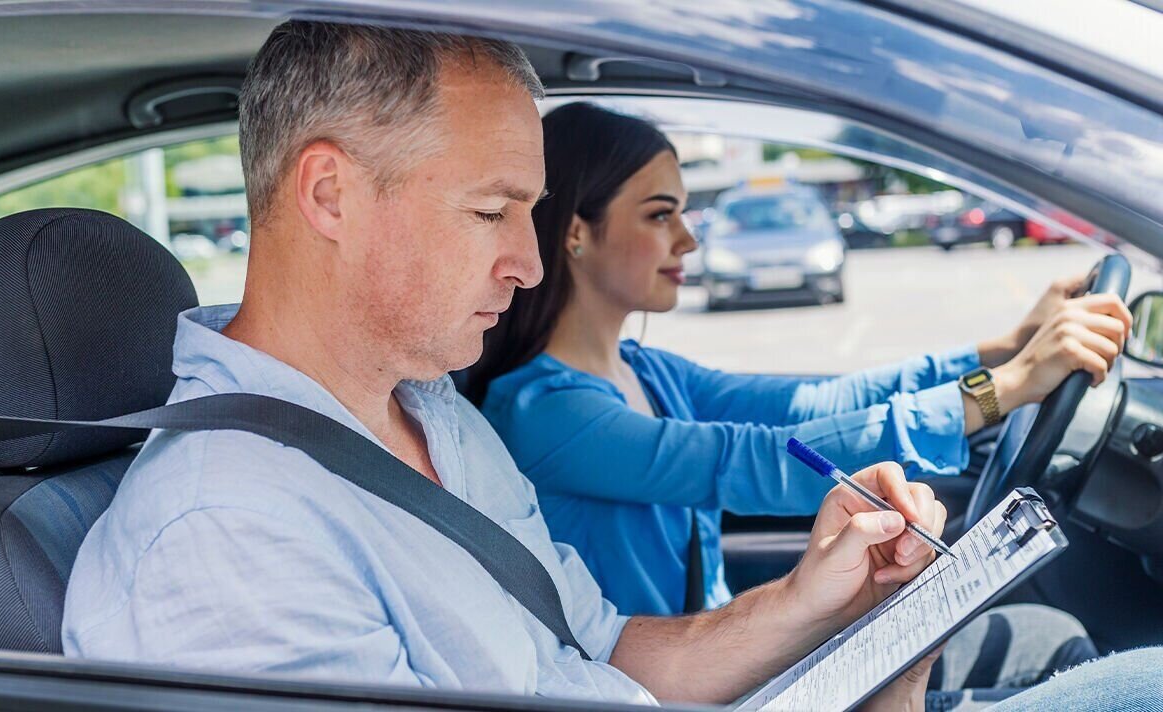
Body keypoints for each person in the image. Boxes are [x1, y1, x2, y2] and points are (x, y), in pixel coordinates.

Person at [61, 20, 1159, 712]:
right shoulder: (220, 537)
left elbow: (611, 652)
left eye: (530, 213)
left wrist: (813, 603)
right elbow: (753, 450)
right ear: (331, 196)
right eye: (491, 211)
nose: (530, 260)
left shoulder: (437, 418)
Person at [471, 102, 1133, 618]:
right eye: (659, 215)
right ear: (577, 232)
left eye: (685, 212)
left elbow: (819, 405)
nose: (689, 238)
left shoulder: (645, 370)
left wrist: (1005, 352)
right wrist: (1006, 389)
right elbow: (754, 461)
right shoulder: (546, 410)